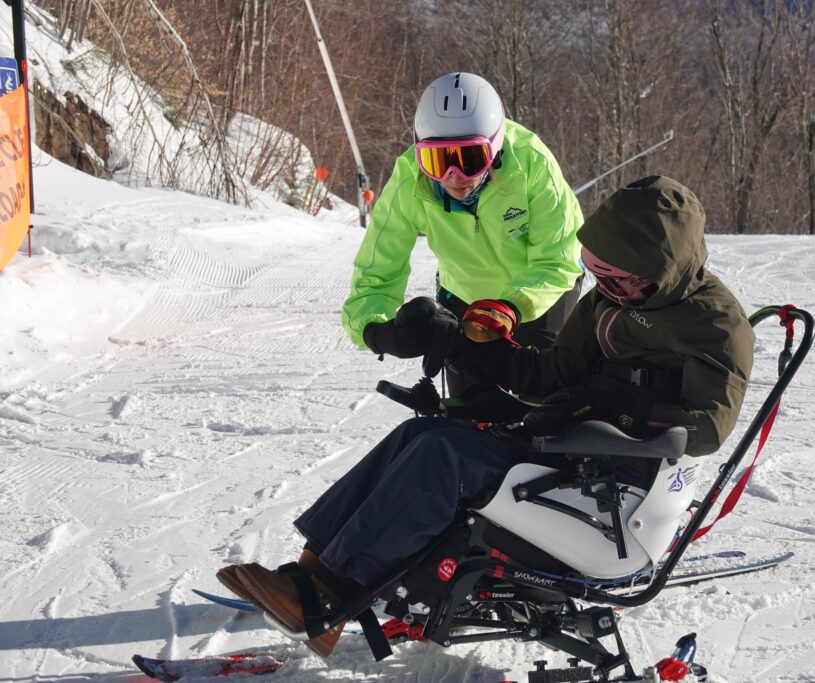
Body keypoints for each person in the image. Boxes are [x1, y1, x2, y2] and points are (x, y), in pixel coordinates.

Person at [218, 176, 755, 657]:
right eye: (595, 274)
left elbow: (705, 429)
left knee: (446, 457)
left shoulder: (716, 327)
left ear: (661, 269)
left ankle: (331, 596)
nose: (603, 290)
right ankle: (313, 575)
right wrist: (459, 342)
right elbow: (548, 378)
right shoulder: (604, 306)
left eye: (616, 279)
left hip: (622, 481)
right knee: (423, 432)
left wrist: (608, 405)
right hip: (569, 446)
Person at [343, 72, 585, 394]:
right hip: (466, 296)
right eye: (437, 159)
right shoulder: (410, 183)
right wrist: (375, 330)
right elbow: (377, 270)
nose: (454, 176)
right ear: (419, 152)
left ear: (495, 147)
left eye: (470, 158)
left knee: (543, 391)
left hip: (541, 290)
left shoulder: (532, 166)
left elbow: (559, 259)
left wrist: (511, 307)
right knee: (470, 403)